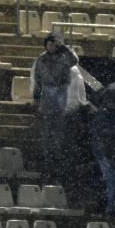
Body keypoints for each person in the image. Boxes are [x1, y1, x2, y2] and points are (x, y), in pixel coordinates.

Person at [32, 34, 79, 167]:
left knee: (59, 122)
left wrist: (64, 48)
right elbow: (38, 79)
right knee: (47, 123)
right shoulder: (41, 59)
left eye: (54, 44)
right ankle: (46, 153)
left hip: (61, 90)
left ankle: (58, 152)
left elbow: (75, 61)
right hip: (47, 91)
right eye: (49, 44)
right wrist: (36, 97)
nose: (52, 46)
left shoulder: (64, 56)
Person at [90, 97, 115, 216]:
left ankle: (111, 207)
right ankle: (109, 208)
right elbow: (104, 135)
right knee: (112, 182)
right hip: (104, 153)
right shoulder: (104, 117)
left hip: (110, 153)